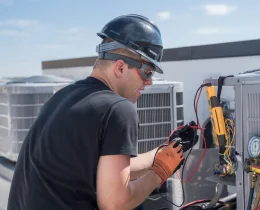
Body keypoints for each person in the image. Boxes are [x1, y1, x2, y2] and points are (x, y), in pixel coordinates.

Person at [7, 14, 198, 210]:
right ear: (120, 67)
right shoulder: (118, 109)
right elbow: (115, 203)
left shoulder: (62, 98)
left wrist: (165, 151)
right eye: (147, 72)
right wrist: (160, 172)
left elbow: (107, 172)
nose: (149, 81)